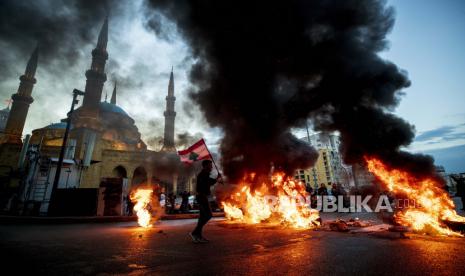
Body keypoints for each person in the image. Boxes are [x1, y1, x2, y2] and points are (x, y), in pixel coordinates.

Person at [189, 160, 222, 243]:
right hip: (201, 196)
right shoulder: (203, 174)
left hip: (202, 196)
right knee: (208, 215)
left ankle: (198, 236)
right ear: (205, 166)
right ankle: (194, 233)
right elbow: (207, 183)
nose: (211, 167)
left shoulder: (205, 174)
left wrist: (217, 179)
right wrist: (216, 179)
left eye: (211, 165)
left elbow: (209, 182)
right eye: (210, 165)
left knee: (202, 217)